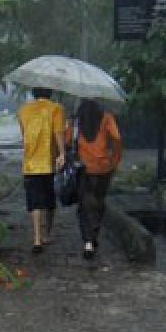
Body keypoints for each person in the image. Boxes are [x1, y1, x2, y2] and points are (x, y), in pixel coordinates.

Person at [64, 99, 123, 260]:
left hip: (83, 168)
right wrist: (114, 159)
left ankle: (88, 242)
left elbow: (67, 141)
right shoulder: (106, 118)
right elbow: (117, 138)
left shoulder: (76, 120)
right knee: (98, 202)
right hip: (104, 168)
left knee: (84, 204)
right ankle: (94, 234)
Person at [16, 88, 66, 252]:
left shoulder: (23, 110)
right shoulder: (56, 109)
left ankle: (36, 238)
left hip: (30, 164)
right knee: (49, 200)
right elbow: (58, 133)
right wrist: (62, 154)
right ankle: (46, 234)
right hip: (48, 163)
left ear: (33, 93)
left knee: (34, 201)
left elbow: (24, 136)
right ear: (50, 93)